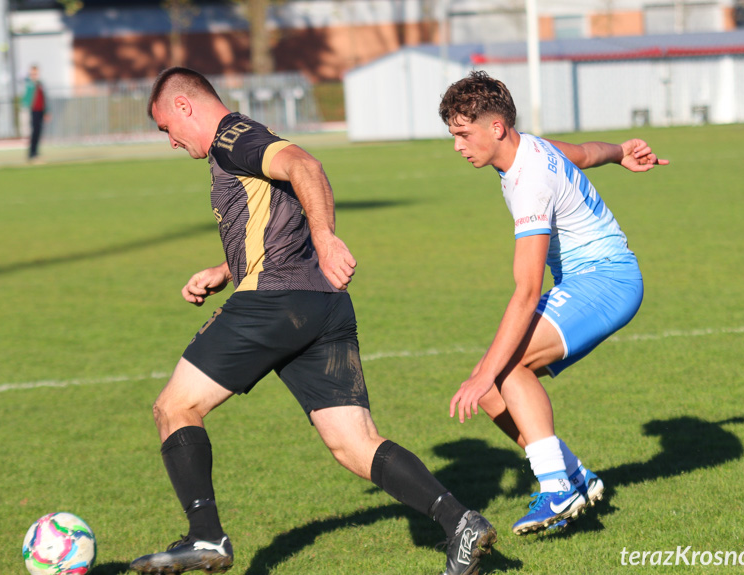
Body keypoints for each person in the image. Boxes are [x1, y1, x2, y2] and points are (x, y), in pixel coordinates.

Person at [129, 66, 497, 575]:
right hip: (322, 306)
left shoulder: (232, 137)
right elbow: (277, 217)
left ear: (184, 107)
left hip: (274, 304)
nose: (170, 141)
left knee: (174, 407)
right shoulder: (239, 143)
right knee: (354, 443)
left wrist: (326, 238)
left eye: (166, 128)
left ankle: (206, 536)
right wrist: (224, 270)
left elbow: (306, 166)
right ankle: (460, 524)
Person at [439, 71, 668, 535]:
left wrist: (485, 369)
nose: (458, 146)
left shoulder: (529, 181)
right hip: (590, 279)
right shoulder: (533, 147)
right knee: (489, 393)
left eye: (464, 134)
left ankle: (556, 488)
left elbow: (525, 291)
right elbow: (585, 154)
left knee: (503, 371)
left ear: (497, 127)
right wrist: (622, 152)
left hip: (606, 280)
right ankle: (574, 476)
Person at [21, 65, 47, 163]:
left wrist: (47, 111)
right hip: (33, 111)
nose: (34, 75)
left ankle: (35, 152)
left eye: (36, 73)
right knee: (33, 133)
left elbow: (44, 98)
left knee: (38, 132)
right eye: (32, 73)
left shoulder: (40, 84)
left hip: (40, 111)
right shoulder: (29, 84)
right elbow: (26, 98)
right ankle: (32, 154)